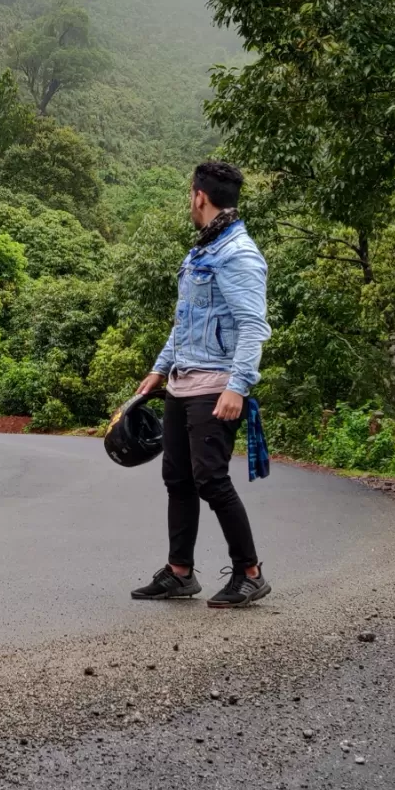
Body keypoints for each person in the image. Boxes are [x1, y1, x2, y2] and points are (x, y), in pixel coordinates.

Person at [131, 159, 272, 608]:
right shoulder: (201, 252)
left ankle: (250, 573)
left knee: (211, 479)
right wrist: (159, 369)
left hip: (216, 384)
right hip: (181, 381)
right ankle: (179, 572)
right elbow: (184, 322)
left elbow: (253, 325)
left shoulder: (239, 254)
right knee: (178, 478)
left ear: (199, 196)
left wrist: (238, 386)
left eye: (189, 195)